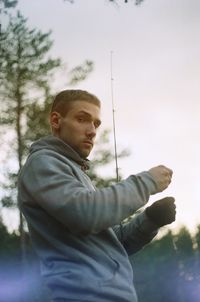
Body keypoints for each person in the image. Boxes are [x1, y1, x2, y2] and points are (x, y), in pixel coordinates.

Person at [18, 89, 176, 302]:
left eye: (96, 124)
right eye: (82, 119)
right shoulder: (43, 163)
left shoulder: (73, 172)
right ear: (56, 121)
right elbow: (87, 213)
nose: (92, 131)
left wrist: (149, 220)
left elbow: (112, 244)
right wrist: (146, 182)